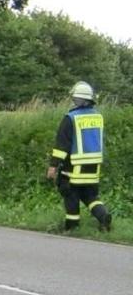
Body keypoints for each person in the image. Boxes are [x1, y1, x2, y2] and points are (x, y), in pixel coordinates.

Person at [47, 81, 112, 232]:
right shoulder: (98, 117)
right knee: (90, 196)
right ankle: (103, 216)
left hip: (73, 167)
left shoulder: (70, 118)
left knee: (70, 194)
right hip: (94, 167)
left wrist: (53, 166)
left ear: (77, 99)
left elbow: (61, 147)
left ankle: (72, 226)